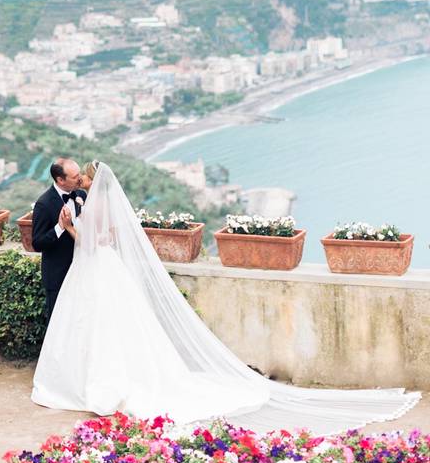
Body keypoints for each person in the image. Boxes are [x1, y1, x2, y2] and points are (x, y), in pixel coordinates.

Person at [31, 161, 421, 433]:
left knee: (104, 326)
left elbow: (96, 242)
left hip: (97, 267)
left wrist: (73, 230)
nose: (81, 178)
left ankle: (100, 381)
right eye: (76, 174)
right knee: (100, 326)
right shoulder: (70, 202)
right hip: (95, 269)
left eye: (84, 175)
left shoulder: (87, 204)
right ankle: (91, 377)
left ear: (91, 184)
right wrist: (69, 228)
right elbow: (65, 241)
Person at [31, 158, 87, 321]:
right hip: (58, 274)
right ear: (60, 180)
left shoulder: (81, 195)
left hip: (82, 270)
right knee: (58, 322)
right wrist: (60, 227)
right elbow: (37, 243)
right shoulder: (44, 204)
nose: (80, 178)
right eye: (75, 176)